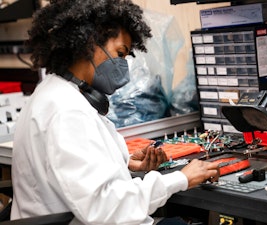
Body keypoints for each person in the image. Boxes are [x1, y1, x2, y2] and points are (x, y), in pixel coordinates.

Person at [10, 0, 220, 224]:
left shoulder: (53, 92)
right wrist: (181, 178)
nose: (123, 66)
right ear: (89, 42)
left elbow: (74, 167)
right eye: (120, 53)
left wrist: (126, 162)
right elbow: (108, 210)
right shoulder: (67, 111)